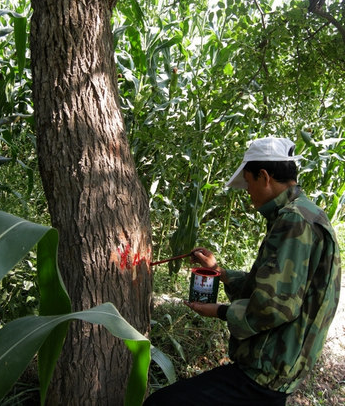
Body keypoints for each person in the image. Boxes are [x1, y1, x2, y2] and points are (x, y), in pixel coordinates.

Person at [144, 137, 341, 406]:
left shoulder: (293, 221)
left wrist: (219, 311)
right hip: (276, 369)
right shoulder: (306, 214)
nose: (248, 192)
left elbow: (273, 307)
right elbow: (270, 287)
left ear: (264, 176)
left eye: (248, 182)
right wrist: (218, 272)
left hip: (265, 372)